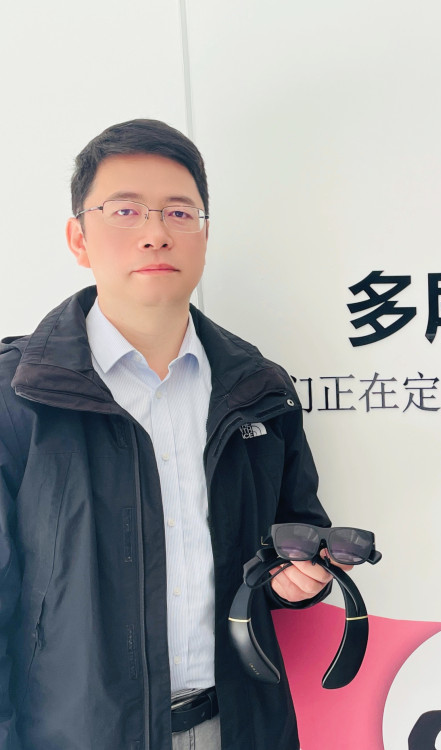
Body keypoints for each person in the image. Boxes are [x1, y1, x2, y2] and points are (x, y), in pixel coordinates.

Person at [0, 119, 343, 750]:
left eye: (180, 213)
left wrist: (298, 579)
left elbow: (294, 531)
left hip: (237, 726)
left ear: (204, 235)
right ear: (78, 237)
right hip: (78, 735)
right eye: (125, 210)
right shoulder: (17, 395)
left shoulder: (258, 386)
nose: (156, 232)